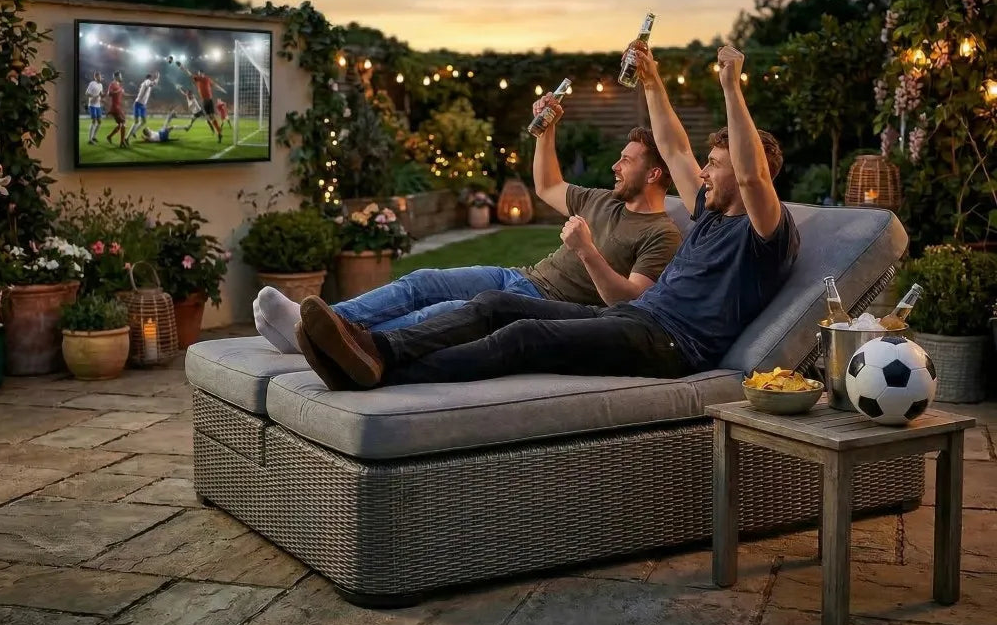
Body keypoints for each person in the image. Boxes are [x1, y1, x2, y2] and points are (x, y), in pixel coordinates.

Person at [294, 43, 800, 390]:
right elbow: (672, 144)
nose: (703, 174)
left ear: (748, 170)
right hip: (633, 320)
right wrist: (651, 78)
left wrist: (732, 87)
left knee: (525, 337)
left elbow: (753, 178)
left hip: (672, 343)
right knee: (495, 303)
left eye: (715, 166)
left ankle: (384, 370)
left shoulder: (765, 233)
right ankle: (374, 347)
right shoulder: (707, 213)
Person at [253, 103, 682, 353]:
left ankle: (330, 340)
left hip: (545, 305)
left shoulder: (662, 233)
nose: (615, 164)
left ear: (655, 173)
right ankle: (321, 321)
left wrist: (587, 251)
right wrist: (545, 132)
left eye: (626, 160)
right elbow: (547, 184)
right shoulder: (600, 198)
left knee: (435, 316)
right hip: (519, 278)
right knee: (420, 282)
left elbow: (627, 303)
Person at [179, 62, 226, 142]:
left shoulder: (207, 79)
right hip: (204, 101)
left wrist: (221, 89)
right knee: (210, 118)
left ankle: (219, 132)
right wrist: (183, 68)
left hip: (209, 100)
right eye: (198, 74)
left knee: (212, 117)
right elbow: (190, 74)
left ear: (203, 73)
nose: (199, 74)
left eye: (200, 73)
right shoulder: (198, 79)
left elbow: (214, 85)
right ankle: (219, 132)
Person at [104, 71, 130, 148]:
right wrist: (118, 91)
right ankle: (122, 142)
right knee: (124, 123)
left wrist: (135, 96)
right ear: (116, 77)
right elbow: (109, 93)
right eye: (120, 76)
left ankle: (109, 136)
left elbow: (124, 95)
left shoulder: (119, 85)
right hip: (115, 107)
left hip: (118, 107)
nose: (121, 77)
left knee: (120, 125)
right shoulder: (112, 84)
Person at [84, 71, 104, 144]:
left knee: (99, 122)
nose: (100, 77)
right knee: (94, 121)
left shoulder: (101, 85)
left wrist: (102, 96)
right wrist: (94, 96)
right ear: (95, 77)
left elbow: (101, 94)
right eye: (99, 76)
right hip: (92, 105)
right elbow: (86, 93)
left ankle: (94, 137)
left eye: (100, 76)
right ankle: (90, 140)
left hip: (98, 105)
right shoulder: (92, 83)